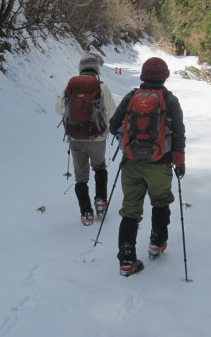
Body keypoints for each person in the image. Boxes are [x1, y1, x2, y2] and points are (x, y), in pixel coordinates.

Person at [109, 57, 186, 276]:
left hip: (131, 163)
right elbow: (178, 135)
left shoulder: (131, 97)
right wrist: (179, 163)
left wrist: (124, 144)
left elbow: (113, 125)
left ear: (143, 75)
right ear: (164, 76)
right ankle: (157, 242)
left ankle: (126, 259)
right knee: (161, 202)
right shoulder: (170, 101)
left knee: (130, 210)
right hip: (159, 165)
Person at [56, 54, 117, 226]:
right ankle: (100, 201)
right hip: (97, 138)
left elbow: (57, 108)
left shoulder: (70, 87)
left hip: (75, 137)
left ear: (81, 69)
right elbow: (112, 113)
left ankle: (86, 212)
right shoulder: (101, 87)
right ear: (96, 69)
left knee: (80, 177)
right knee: (99, 168)